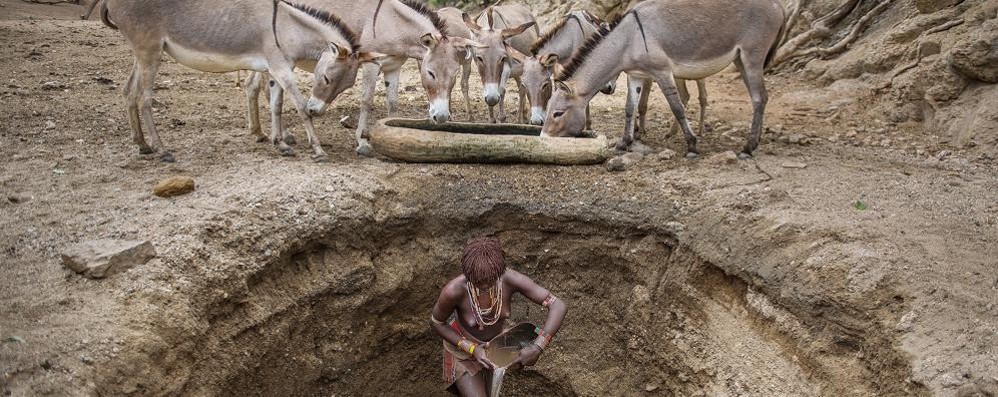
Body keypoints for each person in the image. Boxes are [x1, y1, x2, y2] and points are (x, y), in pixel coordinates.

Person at [431, 237, 568, 396]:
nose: (484, 287)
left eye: (489, 281)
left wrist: (538, 347)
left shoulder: (510, 279)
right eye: (477, 282)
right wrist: (472, 348)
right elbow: (436, 322)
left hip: (495, 349)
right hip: (462, 351)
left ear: (499, 272)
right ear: (468, 274)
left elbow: (558, 305)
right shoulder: (453, 291)